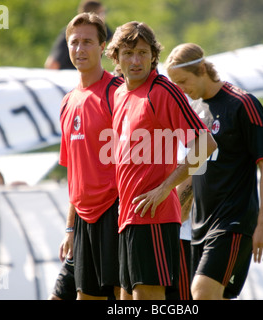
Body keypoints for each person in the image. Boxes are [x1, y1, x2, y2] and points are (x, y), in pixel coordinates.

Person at [105, 22, 217, 300]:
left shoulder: (163, 91)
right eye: (128, 53)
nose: (136, 60)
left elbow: (206, 143)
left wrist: (165, 188)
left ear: (154, 56)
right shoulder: (119, 94)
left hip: (154, 219)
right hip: (126, 218)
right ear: (116, 57)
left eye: (143, 52)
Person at [165, 43, 263, 300]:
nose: (181, 90)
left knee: (201, 293)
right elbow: (194, 170)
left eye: (183, 81)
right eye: (175, 84)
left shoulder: (242, 104)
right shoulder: (195, 110)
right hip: (200, 226)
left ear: (202, 69)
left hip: (233, 222)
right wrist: (175, 215)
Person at [53, 12, 123, 301]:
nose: (79, 49)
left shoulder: (118, 92)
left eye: (87, 42)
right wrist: (70, 228)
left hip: (116, 213)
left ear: (103, 47)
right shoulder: (68, 101)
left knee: (123, 298)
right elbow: (74, 173)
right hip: (83, 220)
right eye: (74, 42)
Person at [45, 0, 113, 70]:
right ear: (94, 15)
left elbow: (116, 44)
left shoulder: (102, 28)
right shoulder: (72, 32)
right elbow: (52, 64)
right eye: (102, 13)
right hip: (71, 75)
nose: (105, 16)